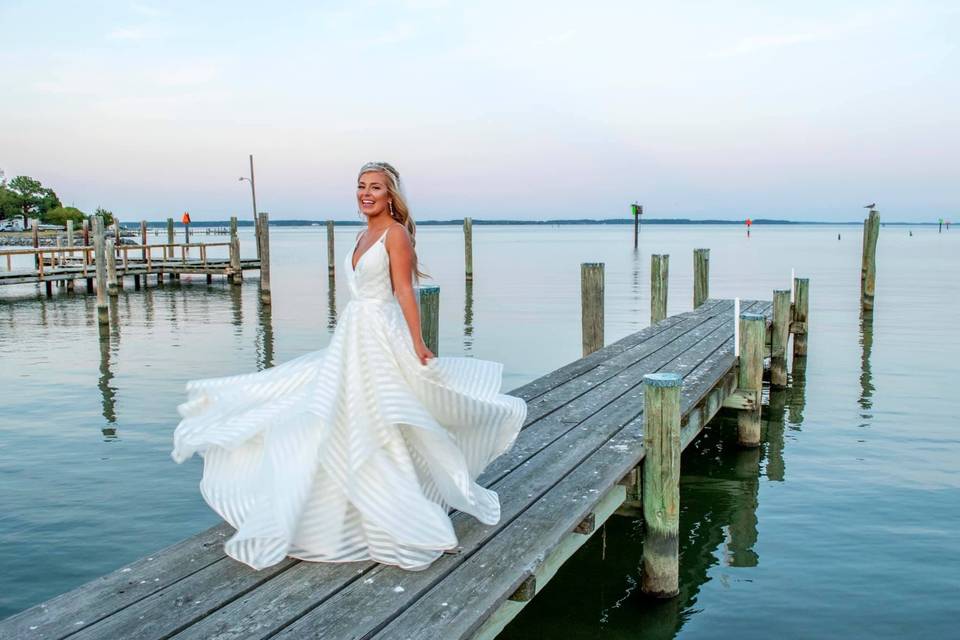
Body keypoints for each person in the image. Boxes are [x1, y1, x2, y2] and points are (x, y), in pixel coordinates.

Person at [171, 161, 526, 571]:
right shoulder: (362, 234)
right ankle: (342, 511)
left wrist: (417, 341)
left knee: (382, 419)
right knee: (334, 416)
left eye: (375, 187)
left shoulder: (395, 236)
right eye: (361, 186)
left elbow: (405, 292)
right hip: (352, 334)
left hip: (380, 334)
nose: (366, 193)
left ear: (391, 195)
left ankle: (406, 516)